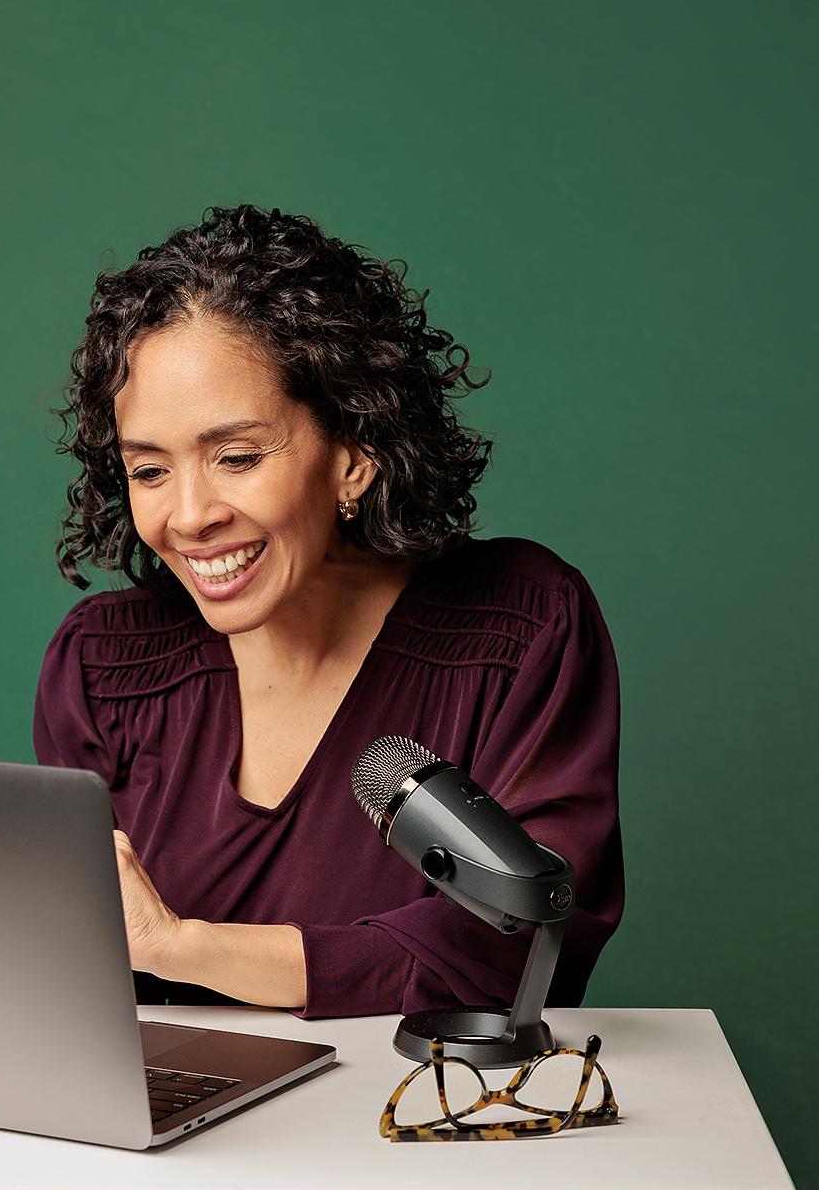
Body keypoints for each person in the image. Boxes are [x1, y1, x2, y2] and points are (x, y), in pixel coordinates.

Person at [33, 203, 623, 1019]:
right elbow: (69, 959)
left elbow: (519, 951)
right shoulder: (102, 664)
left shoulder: (519, 626)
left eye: (236, 456)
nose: (191, 514)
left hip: (415, 1124)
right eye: (149, 470)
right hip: (165, 1129)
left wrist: (184, 947)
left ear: (356, 452)